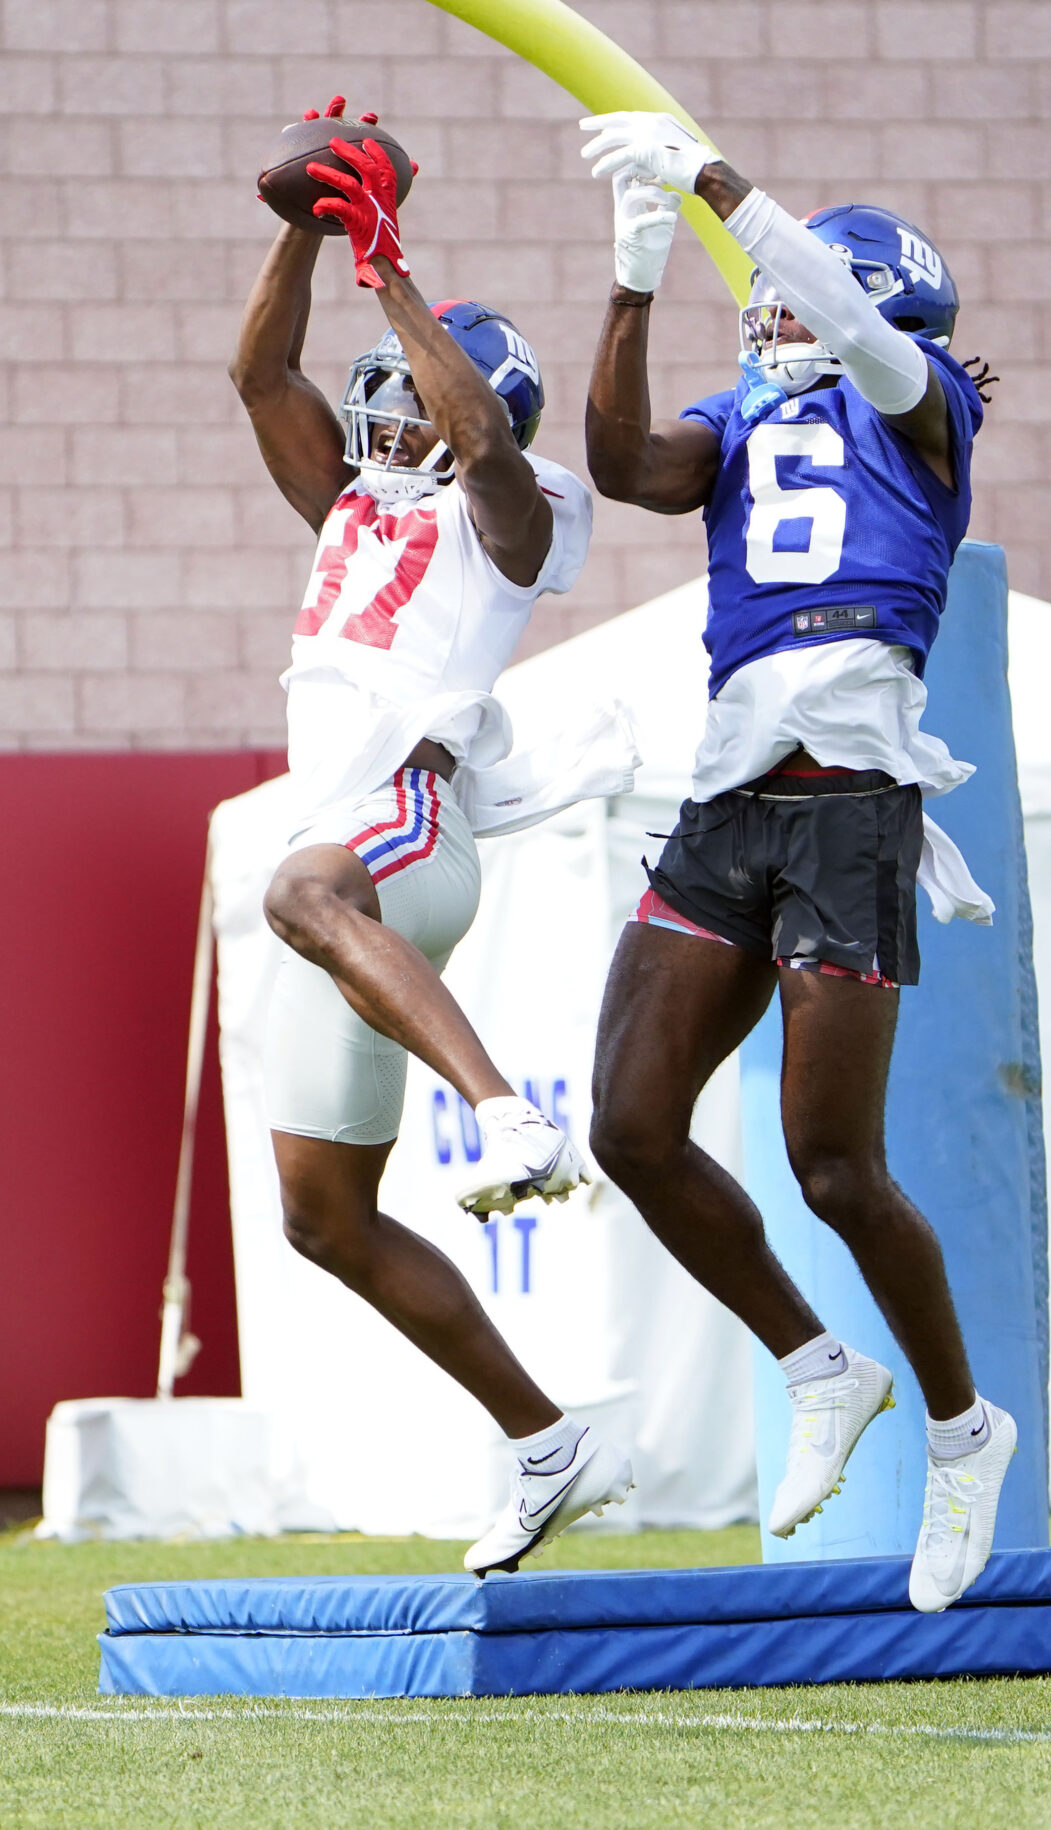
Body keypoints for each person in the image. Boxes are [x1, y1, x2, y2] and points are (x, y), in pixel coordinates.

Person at [577, 110, 1014, 1613]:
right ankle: (821, 1365)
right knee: (629, 1124)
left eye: (796, 291)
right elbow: (624, 460)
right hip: (730, 794)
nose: (765, 312)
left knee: (837, 1163)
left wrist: (710, 180)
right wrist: (633, 274)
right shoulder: (747, 418)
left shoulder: (926, 402)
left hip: (852, 800)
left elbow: (839, 311)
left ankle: (965, 1428)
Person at [229, 98, 632, 1574]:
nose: (391, 407)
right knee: (323, 1217)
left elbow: (480, 445)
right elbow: (258, 368)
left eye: (415, 386)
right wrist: (306, 228)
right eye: (382, 383)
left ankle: (508, 1111)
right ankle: (546, 1437)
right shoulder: (345, 502)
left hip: (410, 817)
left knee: (300, 883)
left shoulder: (505, 516)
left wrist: (396, 270)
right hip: (338, 864)